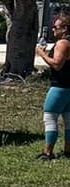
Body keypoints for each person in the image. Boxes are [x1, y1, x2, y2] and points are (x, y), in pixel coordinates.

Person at [36, 11, 70, 161]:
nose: (53, 29)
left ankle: (48, 152)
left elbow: (57, 64)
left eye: (56, 27)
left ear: (65, 28)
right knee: (68, 119)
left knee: (49, 117)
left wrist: (41, 54)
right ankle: (67, 150)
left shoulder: (62, 43)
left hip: (60, 87)